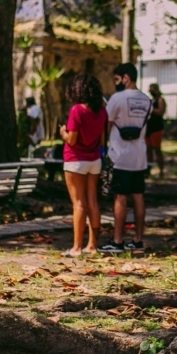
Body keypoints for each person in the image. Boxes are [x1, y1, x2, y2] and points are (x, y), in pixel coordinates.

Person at [100, 64, 151, 254]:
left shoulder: (117, 98)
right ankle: (138, 239)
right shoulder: (147, 100)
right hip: (139, 156)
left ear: (126, 78)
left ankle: (118, 240)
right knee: (138, 196)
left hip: (120, 156)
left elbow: (107, 123)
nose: (116, 83)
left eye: (116, 79)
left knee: (120, 197)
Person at [58, 74, 107, 257]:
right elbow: (102, 139)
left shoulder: (77, 110)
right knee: (93, 201)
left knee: (78, 204)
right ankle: (92, 246)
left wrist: (63, 132)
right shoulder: (102, 111)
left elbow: (72, 139)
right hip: (94, 160)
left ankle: (76, 248)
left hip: (75, 160)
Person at [145, 83, 167, 177]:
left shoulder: (160, 100)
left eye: (153, 89)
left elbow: (160, 112)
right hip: (148, 128)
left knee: (157, 149)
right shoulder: (150, 100)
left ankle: (161, 170)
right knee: (148, 150)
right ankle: (148, 169)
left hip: (157, 128)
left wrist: (151, 109)